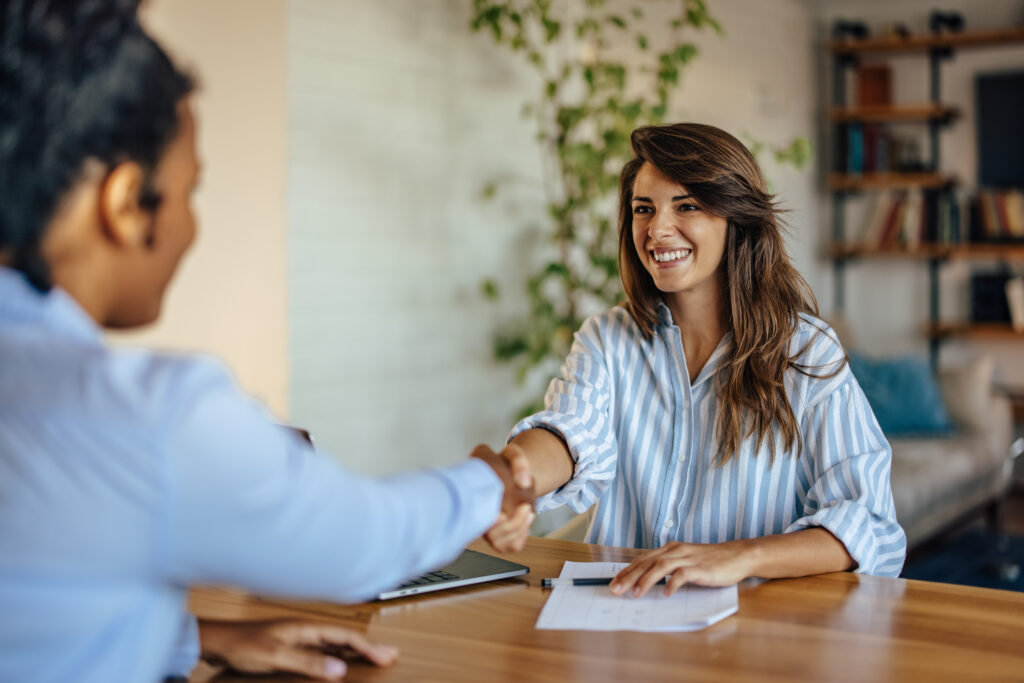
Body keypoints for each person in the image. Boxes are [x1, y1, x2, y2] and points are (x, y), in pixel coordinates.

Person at [0, 2, 534, 682]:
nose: (194, 227)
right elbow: (362, 543)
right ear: (127, 202)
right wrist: (488, 483)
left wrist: (199, 638)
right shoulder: (147, 417)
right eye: (192, 191)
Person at [479, 122, 906, 595]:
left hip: (756, 635)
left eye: (687, 206)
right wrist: (509, 480)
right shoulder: (607, 339)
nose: (657, 230)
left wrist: (738, 557)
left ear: (735, 218)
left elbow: (870, 524)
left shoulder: (805, 350)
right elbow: (570, 434)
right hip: (621, 623)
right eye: (644, 209)